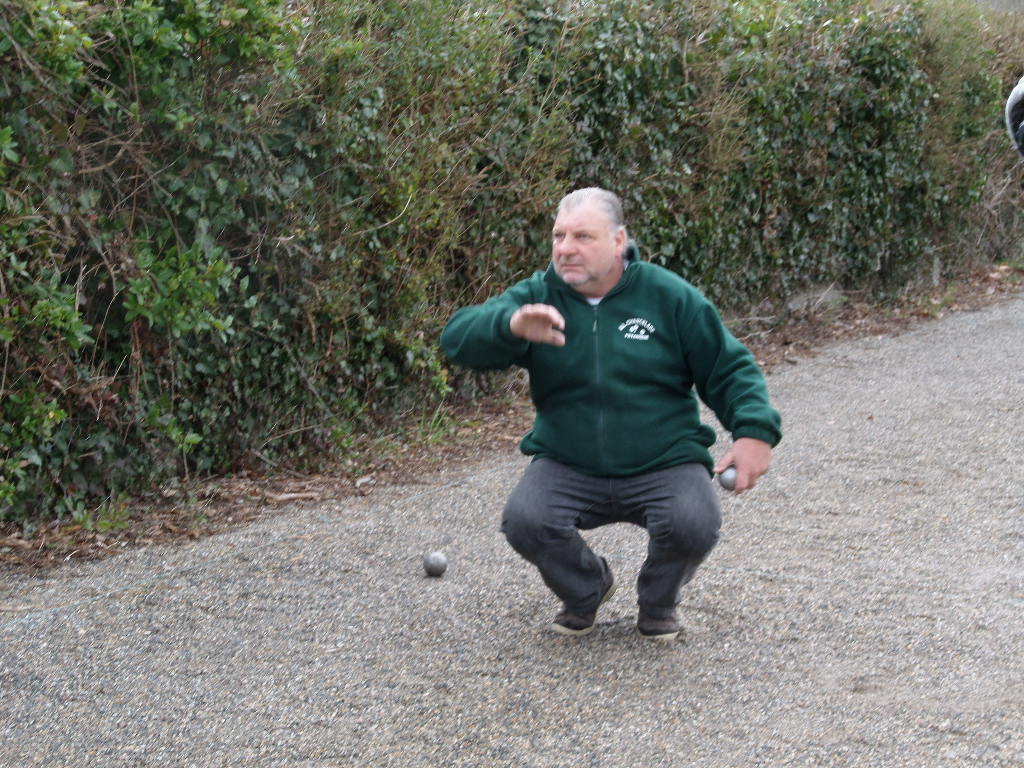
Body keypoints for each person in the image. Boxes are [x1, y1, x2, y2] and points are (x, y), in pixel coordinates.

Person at [440, 188, 782, 641]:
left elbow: (729, 367)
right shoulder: (539, 296)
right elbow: (456, 339)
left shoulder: (668, 297)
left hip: (663, 459)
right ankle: (586, 589)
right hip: (569, 460)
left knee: (693, 522)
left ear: (619, 241)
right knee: (526, 520)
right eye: (559, 236)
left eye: (583, 236)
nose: (566, 248)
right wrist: (509, 326)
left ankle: (658, 603)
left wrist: (753, 431)